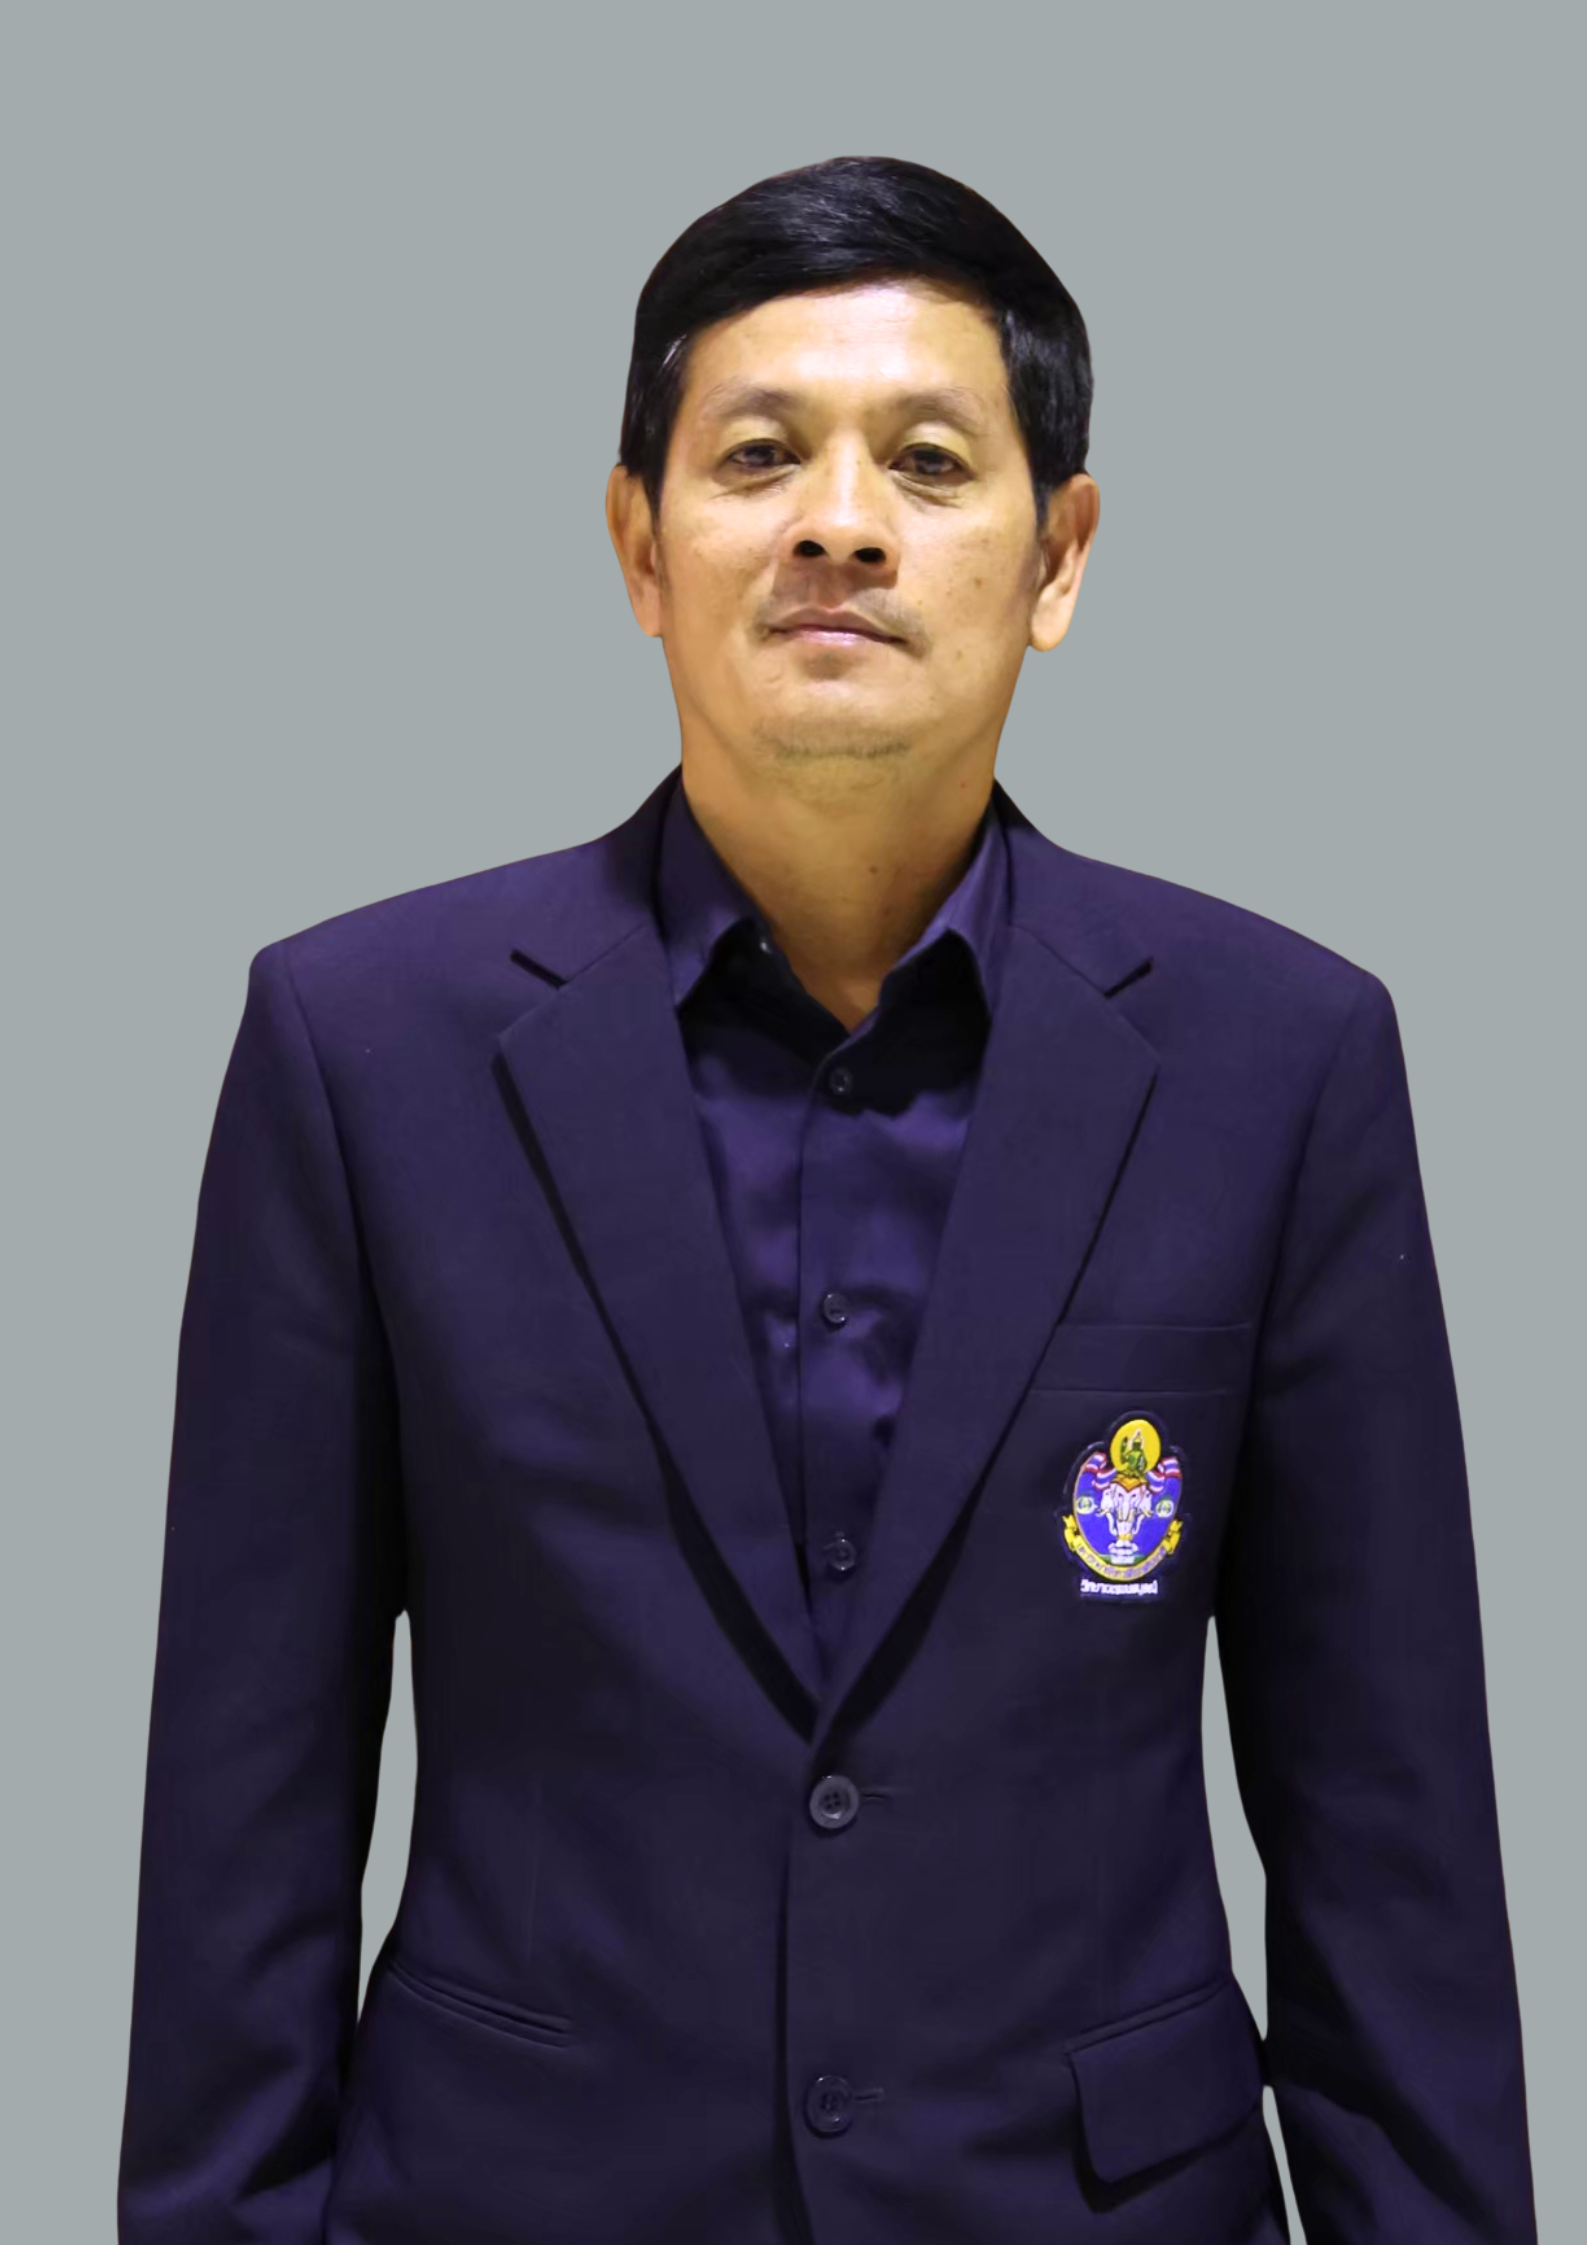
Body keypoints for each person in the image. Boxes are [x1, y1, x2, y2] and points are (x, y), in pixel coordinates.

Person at [117, 154, 1536, 2245]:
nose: (839, 524)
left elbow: (1385, 1818)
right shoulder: (362, 1048)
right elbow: (245, 1807)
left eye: (930, 463)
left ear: (1057, 555)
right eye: (758, 454)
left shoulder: (1280, 1058)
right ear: (638, 543)